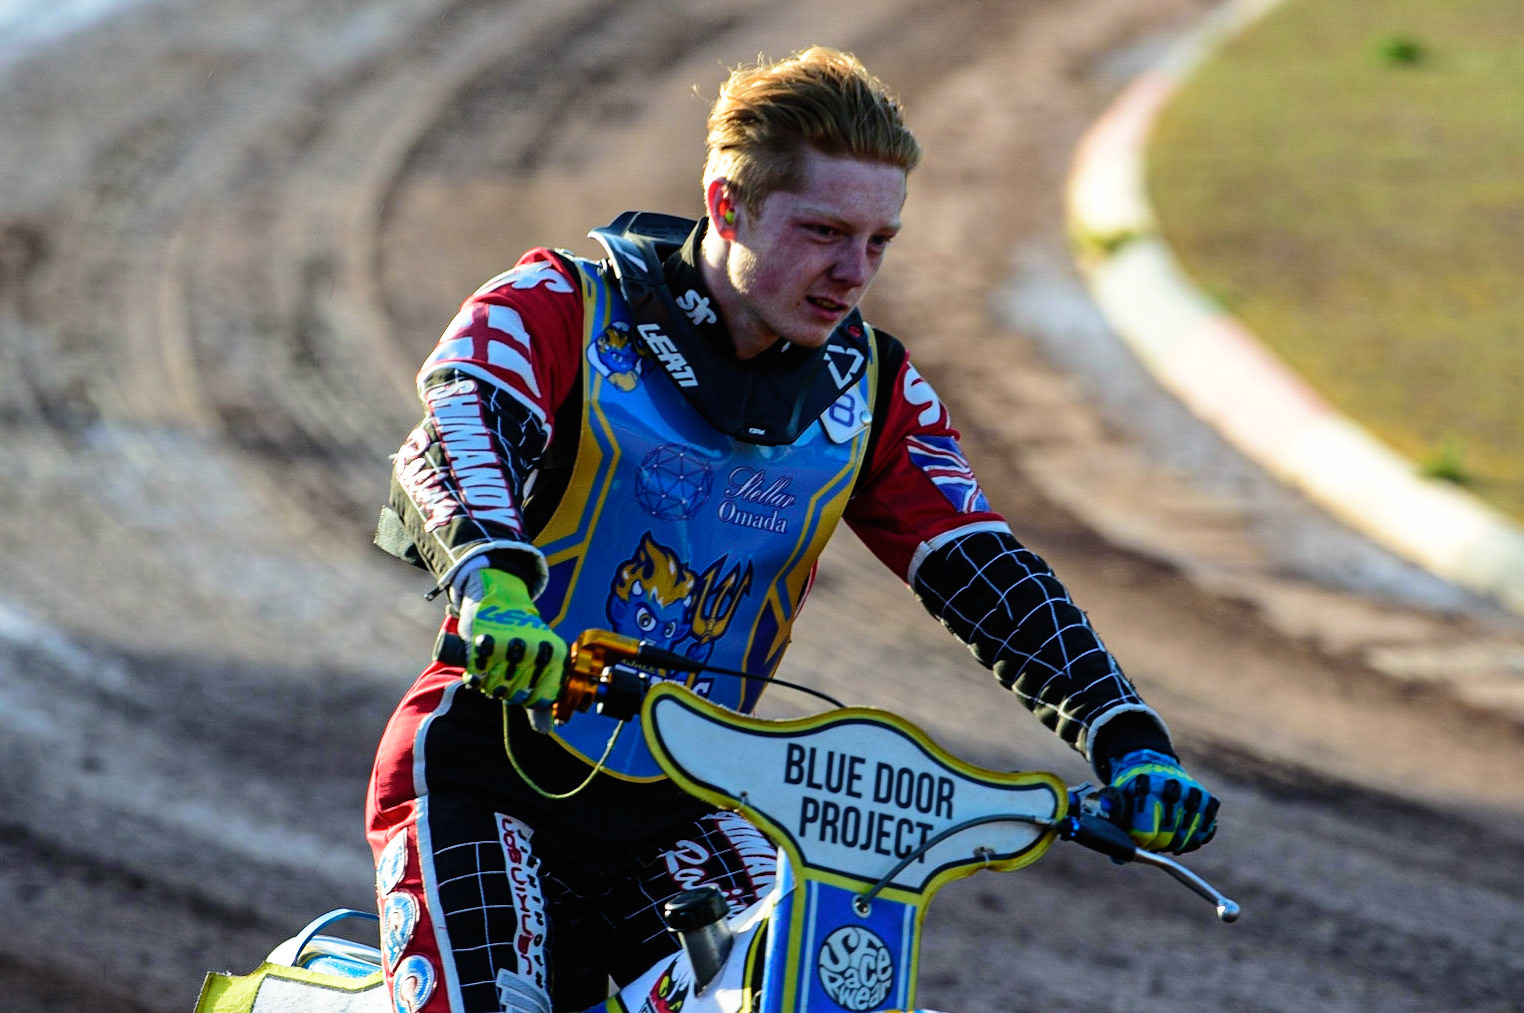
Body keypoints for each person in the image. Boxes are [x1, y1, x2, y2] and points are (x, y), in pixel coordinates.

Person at [366, 46, 1219, 1013]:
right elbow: (456, 432)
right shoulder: (562, 303)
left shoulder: (873, 393)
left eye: (879, 242)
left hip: (688, 794)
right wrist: (495, 590)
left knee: (826, 999)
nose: (853, 273)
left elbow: (986, 567)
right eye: (823, 231)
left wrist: (1126, 736)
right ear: (727, 205)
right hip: (494, 768)